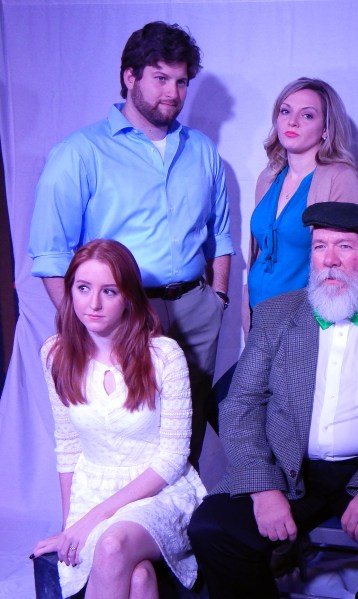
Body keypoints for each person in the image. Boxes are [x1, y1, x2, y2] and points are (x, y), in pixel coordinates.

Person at [188, 202, 358, 598]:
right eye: (320, 247)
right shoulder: (274, 315)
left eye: (345, 247)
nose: (329, 260)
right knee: (213, 529)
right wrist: (264, 489)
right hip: (289, 467)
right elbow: (241, 404)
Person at [28, 21, 233, 467]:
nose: (173, 93)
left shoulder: (201, 150)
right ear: (130, 76)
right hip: (123, 310)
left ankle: (182, 512)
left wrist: (217, 299)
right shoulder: (78, 153)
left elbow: (220, 234)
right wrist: (84, 323)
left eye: (181, 81)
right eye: (160, 78)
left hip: (196, 309)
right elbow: (50, 254)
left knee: (188, 430)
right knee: (128, 429)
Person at [31, 239, 206, 599]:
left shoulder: (164, 356)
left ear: (128, 297)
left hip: (159, 493)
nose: (93, 303)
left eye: (108, 291)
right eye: (83, 288)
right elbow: (67, 446)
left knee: (112, 545)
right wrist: (70, 525)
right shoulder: (55, 354)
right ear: (70, 291)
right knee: (139, 579)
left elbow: (173, 458)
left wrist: (93, 520)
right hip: (92, 489)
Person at [246, 77, 358, 321]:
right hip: (257, 315)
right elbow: (259, 252)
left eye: (307, 115)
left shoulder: (340, 178)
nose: (292, 121)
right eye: (285, 111)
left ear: (326, 129)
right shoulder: (268, 177)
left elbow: (348, 263)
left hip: (305, 321)